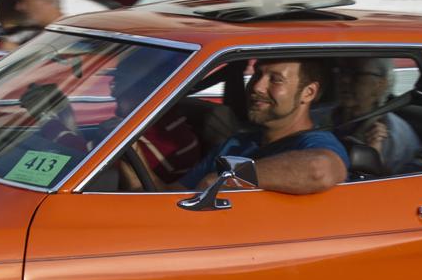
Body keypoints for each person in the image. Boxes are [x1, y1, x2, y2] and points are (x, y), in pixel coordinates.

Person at [132, 58, 348, 195]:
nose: (257, 86)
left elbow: (319, 169)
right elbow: (172, 196)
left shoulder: (315, 143)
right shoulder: (237, 144)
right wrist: (131, 156)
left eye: (275, 79)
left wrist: (230, 176)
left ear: (308, 93)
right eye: (257, 74)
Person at [108, 51, 201, 183]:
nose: (113, 93)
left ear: (148, 90)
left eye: (120, 83)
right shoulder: (132, 127)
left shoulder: (172, 141)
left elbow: (136, 189)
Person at [333, 57, 420, 174]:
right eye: (342, 71)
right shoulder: (333, 116)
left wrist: (373, 157)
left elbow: (391, 185)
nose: (345, 79)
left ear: (381, 84)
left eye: (357, 74)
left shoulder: (391, 136)